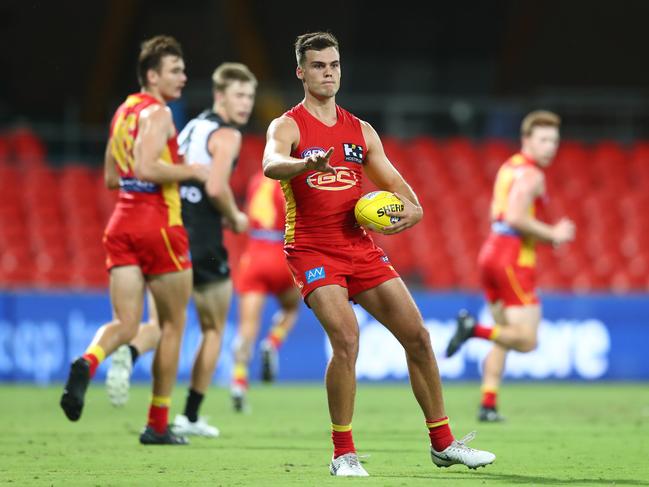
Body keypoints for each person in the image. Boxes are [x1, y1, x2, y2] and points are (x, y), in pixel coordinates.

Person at [262, 31, 495, 477]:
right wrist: (304, 164)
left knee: (419, 338)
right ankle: (343, 453)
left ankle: (443, 443)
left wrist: (414, 207)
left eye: (333, 65)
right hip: (311, 248)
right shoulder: (288, 126)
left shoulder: (359, 130)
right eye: (317, 66)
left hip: (359, 246)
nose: (327, 72)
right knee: (347, 340)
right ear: (301, 72)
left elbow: (391, 178)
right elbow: (271, 163)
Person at [59, 35, 209, 445]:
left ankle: (88, 363)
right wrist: (192, 171)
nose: (183, 76)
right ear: (152, 74)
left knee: (125, 322)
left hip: (121, 221)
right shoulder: (159, 113)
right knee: (171, 323)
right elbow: (146, 166)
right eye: (174, 70)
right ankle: (158, 424)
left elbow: (112, 176)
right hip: (159, 223)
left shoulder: (123, 111)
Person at [106, 62, 257, 437]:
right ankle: (189, 415)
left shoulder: (192, 125)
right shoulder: (227, 135)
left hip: (170, 226)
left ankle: (130, 351)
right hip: (203, 236)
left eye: (250, 96)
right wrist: (236, 217)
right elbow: (217, 188)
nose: (246, 104)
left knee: (162, 325)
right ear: (220, 96)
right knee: (213, 328)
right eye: (239, 95)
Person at [445, 110, 576, 422]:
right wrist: (553, 233)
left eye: (554, 140)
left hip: (491, 252)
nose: (550, 147)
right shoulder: (532, 174)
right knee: (528, 340)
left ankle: (488, 403)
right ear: (526, 140)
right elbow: (514, 217)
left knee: (503, 334)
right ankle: (472, 329)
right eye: (543, 139)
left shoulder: (509, 168)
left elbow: (497, 213)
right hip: (513, 258)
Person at [230, 170, 301, 412]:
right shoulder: (290, 182)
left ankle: (239, 381)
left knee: (246, 328)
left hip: (255, 254)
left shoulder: (256, 179)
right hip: (281, 253)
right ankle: (272, 342)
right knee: (291, 308)